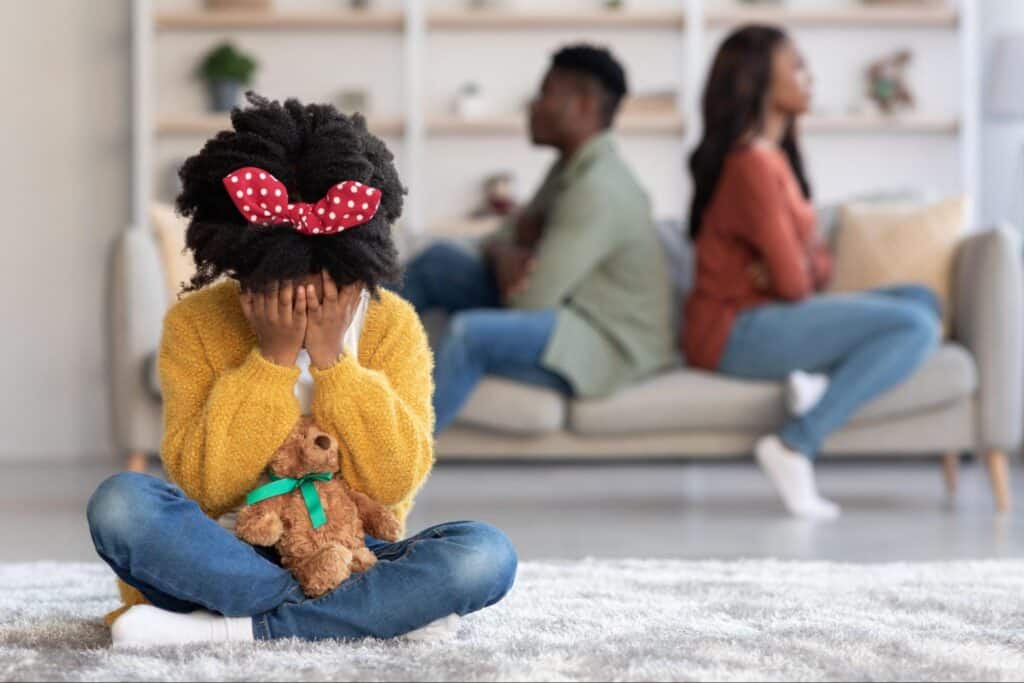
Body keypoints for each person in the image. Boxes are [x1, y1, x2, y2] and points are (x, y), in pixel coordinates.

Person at [86, 94, 517, 647]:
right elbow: (205, 487)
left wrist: (336, 361)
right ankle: (378, 615)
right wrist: (273, 360)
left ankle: (231, 631)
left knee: (485, 554)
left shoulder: (393, 325)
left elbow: (392, 484)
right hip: (225, 551)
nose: (304, 296)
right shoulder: (196, 323)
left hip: (353, 552)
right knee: (121, 504)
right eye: (275, 280)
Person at [683, 26, 941, 519]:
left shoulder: (775, 157)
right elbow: (797, 280)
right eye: (796, 66)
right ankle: (795, 442)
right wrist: (802, 259)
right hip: (731, 332)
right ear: (759, 81)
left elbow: (815, 269)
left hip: (768, 314)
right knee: (915, 325)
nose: (810, 77)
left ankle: (816, 382)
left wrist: (803, 260)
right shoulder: (751, 165)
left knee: (922, 299)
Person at [401, 44, 676, 434]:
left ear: (581, 104)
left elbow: (529, 300)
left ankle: (382, 474)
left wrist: (508, 252)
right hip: (566, 311)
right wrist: (504, 251)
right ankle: (331, 357)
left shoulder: (597, 189)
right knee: (438, 262)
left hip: (607, 340)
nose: (532, 106)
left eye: (545, 93)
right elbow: (501, 238)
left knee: (469, 335)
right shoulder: (569, 169)